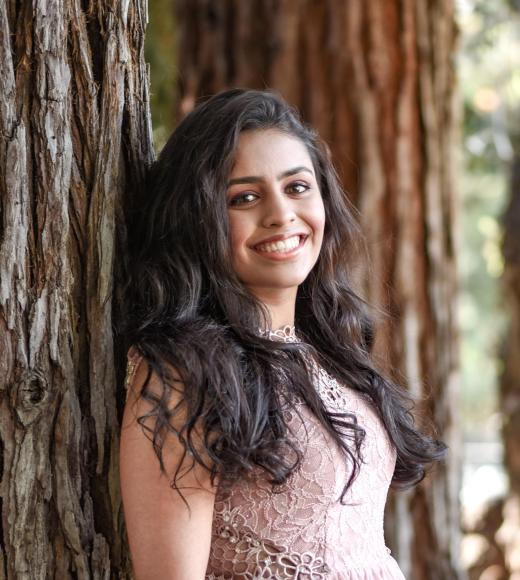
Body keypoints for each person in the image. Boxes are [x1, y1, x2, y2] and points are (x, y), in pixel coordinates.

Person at [119, 88, 446, 580]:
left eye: (297, 187)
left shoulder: (329, 351)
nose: (280, 215)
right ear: (197, 218)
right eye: (244, 197)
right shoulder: (180, 372)